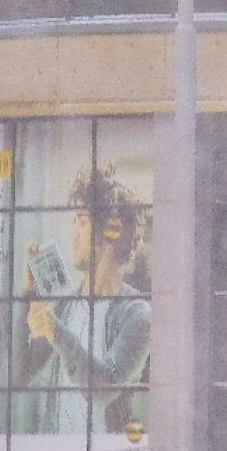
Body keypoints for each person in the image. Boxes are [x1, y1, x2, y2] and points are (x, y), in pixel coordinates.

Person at [15, 162, 151, 436]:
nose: (73, 233)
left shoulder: (138, 314)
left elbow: (104, 388)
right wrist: (28, 298)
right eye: (73, 222)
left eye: (83, 221)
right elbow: (17, 375)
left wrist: (55, 331)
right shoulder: (65, 305)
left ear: (111, 231)